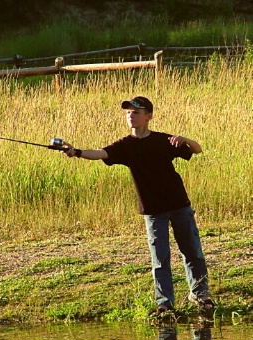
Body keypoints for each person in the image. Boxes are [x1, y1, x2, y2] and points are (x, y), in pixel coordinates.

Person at [61, 96, 214, 319]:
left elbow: (197, 150)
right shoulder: (125, 146)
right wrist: (76, 152)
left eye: (136, 112)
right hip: (152, 211)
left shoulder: (164, 140)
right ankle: (164, 305)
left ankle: (201, 296)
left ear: (149, 116)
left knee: (193, 253)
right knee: (160, 259)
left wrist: (185, 139)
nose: (130, 116)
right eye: (128, 113)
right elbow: (100, 153)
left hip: (179, 205)